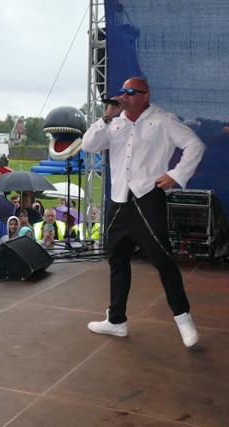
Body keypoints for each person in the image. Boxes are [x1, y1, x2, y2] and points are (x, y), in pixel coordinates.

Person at [82, 76, 205, 348]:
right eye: (123, 92)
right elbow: (89, 145)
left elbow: (195, 145)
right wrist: (106, 116)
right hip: (118, 200)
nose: (124, 96)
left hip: (148, 198)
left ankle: (183, 319)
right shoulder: (114, 122)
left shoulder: (163, 120)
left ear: (146, 95)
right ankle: (116, 321)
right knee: (116, 259)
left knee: (163, 260)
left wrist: (175, 175)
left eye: (131, 92)